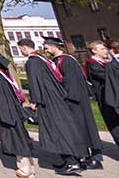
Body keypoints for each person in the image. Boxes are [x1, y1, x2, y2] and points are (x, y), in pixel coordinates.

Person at [18, 37, 87, 176]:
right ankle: (74, 159)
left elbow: (35, 81)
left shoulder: (33, 61)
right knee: (64, 128)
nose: (21, 51)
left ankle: (71, 162)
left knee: (57, 130)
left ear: (24, 47)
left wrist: (35, 100)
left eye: (20, 49)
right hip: (56, 98)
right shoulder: (42, 59)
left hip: (48, 101)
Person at [44, 36, 102, 169]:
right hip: (70, 98)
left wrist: (67, 98)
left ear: (54, 46)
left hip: (76, 100)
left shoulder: (67, 60)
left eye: (47, 47)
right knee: (78, 128)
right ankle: (83, 155)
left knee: (85, 126)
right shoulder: (57, 60)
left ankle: (95, 158)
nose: (45, 50)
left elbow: (72, 82)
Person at [0, 51, 36, 178]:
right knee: (21, 139)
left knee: (17, 141)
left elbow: (3, 99)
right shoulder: (6, 76)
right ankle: (30, 168)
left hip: (8, 115)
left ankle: (25, 170)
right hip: (15, 112)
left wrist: (4, 117)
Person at [86, 40, 119, 148]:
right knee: (115, 124)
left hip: (115, 96)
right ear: (94, 51)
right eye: (102, 49)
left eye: (105, 48)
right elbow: (108, 77)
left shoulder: (107, 62)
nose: (106, 51)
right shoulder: (92, 64)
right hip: (106, 99)